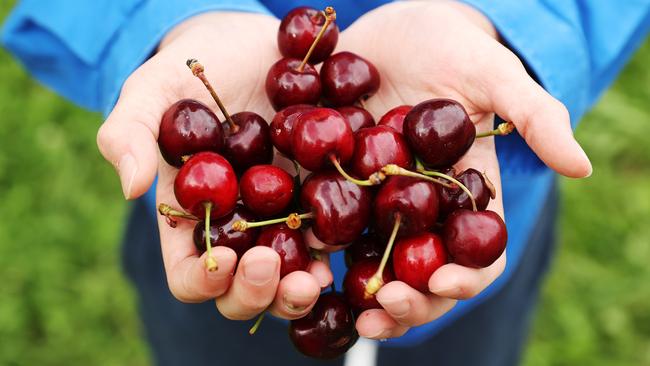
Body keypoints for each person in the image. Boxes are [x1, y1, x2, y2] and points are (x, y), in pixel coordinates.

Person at [3, 1, 648, 365]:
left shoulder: (411, 185)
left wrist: (507, 24)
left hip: (462, 262)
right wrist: (166, 18)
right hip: (232, 266)